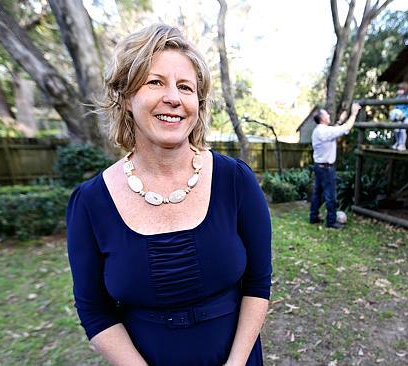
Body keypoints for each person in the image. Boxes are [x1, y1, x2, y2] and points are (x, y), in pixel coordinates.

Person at [66, 24, 272, 366]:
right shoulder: (90, 203)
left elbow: (258, 282)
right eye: (155, 82)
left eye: (185, 87)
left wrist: (236, 364)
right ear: (127, 97)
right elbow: (94, 310)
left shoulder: (235, 181)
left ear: (197, 104)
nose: (173, 98)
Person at [309, 103, 361, 229]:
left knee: (317, 193)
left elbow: (334, 130)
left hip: (319, 166)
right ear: (322, 118)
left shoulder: (319, 130)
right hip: (326, 169)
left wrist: (341, 120)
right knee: (330, 195)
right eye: (326, 114)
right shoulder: (324, 131)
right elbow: (346, 128)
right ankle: (331, 222)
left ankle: (313, 217)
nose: (328, 115)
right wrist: (354, 113)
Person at [390, 82, 408, 151]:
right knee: (396, 129)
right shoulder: (398, 98)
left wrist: (404, 115)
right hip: (399, 116)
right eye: (399, 89)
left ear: (406, 90)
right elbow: (396, 107)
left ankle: (402, 145)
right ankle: (397, 142)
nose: (399, 90)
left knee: (402, 129)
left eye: (401, 89)